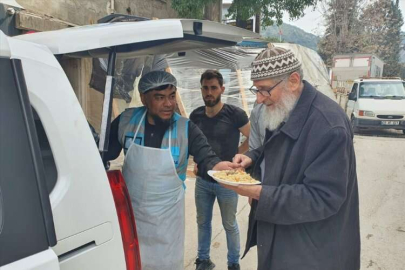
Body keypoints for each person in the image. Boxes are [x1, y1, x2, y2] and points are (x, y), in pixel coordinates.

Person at [222, 44, 361, 270]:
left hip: (313, 252)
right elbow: (278, 148)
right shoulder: (285, 107)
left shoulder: (328, 125)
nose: (259, 99)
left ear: (293, 81)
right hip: (281, 239)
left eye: (264, 90)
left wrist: (258, 192)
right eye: (255, 90)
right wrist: (251, 158)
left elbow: (322, 197)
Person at [103, 70, 238, 270]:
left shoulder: (185, 128)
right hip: (133, 216)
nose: (169, 104)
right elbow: (107, 152)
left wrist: (218, 166)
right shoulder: (127, 121)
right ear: (144, 99)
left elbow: (206, 154)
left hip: (167, 220)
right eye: (160, 98)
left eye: (172, 96)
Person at [190, 70, 250, 270]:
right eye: (205, 88)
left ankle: (233, 264)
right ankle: (203, 260)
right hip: (203, 181)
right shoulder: (196, 115)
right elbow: (192, 142)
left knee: (229, 224)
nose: (209, 92)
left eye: (213, 88)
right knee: (203, 223)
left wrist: (236, 155)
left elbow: (253, 137)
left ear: (222, 89)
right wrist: (196, 159)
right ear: (201, 89)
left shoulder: (235, 114)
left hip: (227, 181)